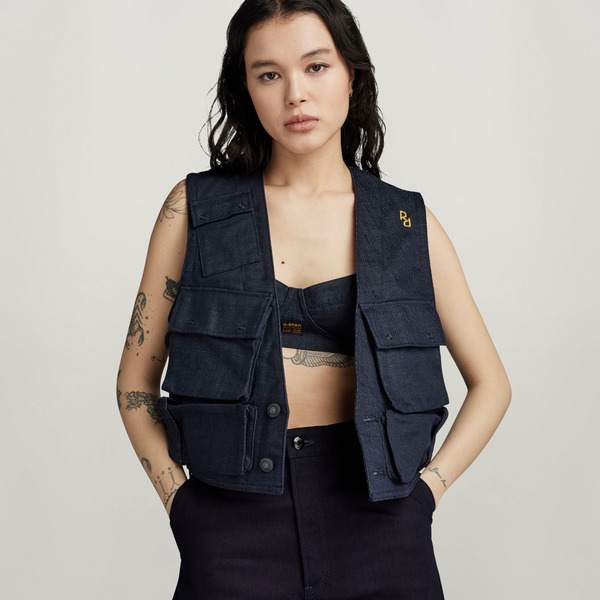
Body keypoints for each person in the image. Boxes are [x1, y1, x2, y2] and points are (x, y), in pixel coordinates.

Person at [117, 1, 512, 598]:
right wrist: (184, 507)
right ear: (246, 89)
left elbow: (491, 383)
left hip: (379, 522)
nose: (295, 94)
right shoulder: (192, 210)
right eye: (268, 74)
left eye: (316, 67)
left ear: (352, 74)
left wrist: (424, 497)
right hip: (231, 522)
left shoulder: (404, 223)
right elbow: (135, 381)